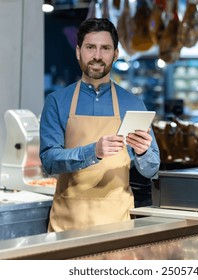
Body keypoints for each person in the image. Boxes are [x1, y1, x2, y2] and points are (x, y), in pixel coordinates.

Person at [39, 18, 160, 232]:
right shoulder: (57, 101)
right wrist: (93, 151)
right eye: (90, 47)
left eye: (105, 48)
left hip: (117, 223)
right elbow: (49, 161)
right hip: (68, 223)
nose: (97, 56)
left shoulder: (133, 104)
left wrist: (143, 153)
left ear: (115, 54)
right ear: (78, 51)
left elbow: (152, 169)